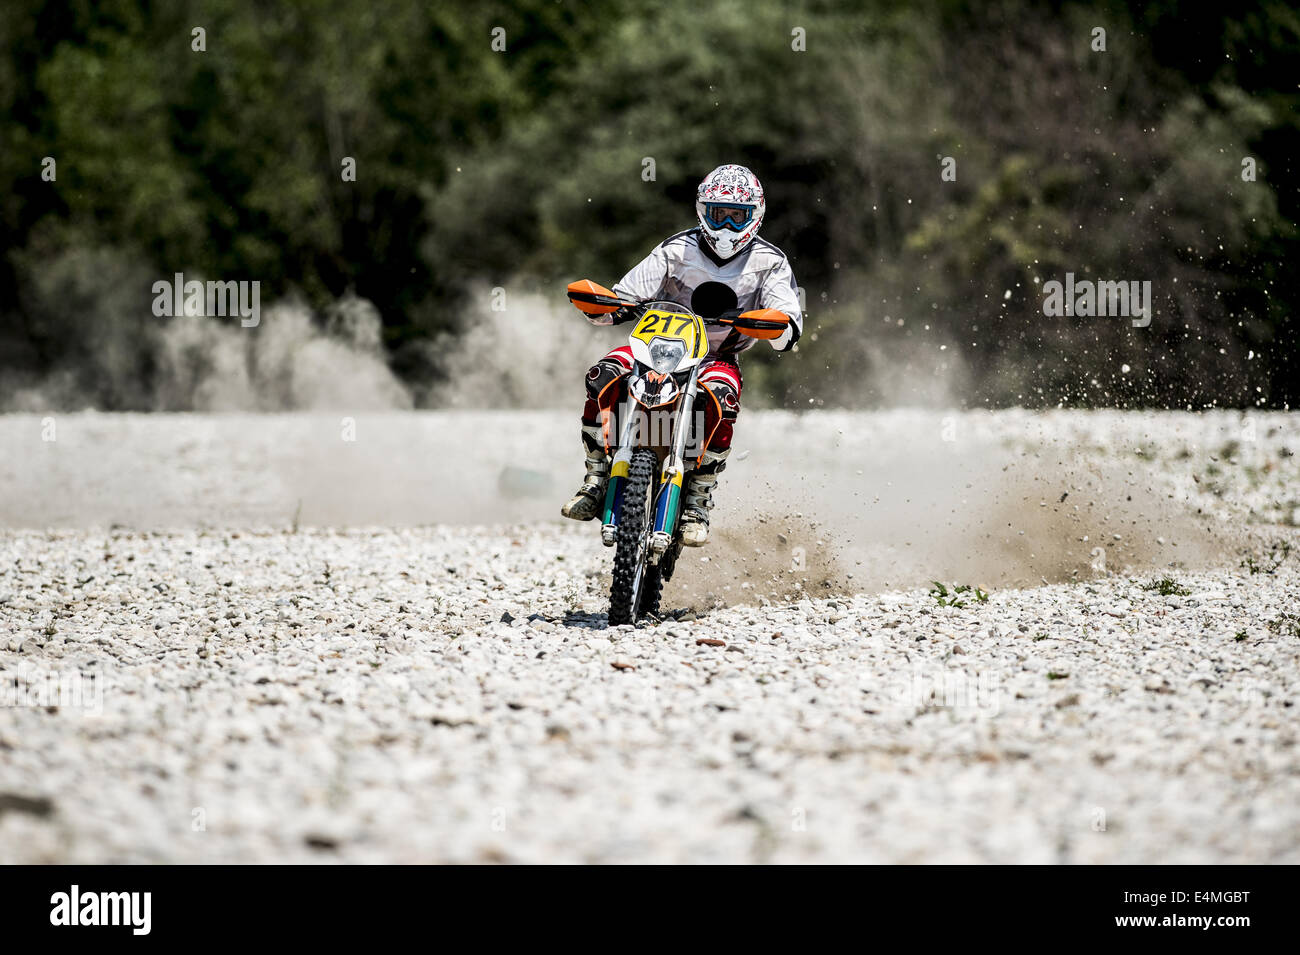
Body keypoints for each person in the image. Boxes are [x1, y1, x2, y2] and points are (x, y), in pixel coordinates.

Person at [561, 163, 803, 545]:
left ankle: (697, 499)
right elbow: (627, 295)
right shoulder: (677, 249)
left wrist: (776, 325)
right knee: (602, 373)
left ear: (754, 217)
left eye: (735, 217)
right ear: (701, 210)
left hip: (716, 358)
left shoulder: (770, 262)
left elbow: (788, 322)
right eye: (716, 214)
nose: (724, 226)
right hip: (654, 350)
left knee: (724, 399)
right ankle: (594, 477)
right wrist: (607, 306)